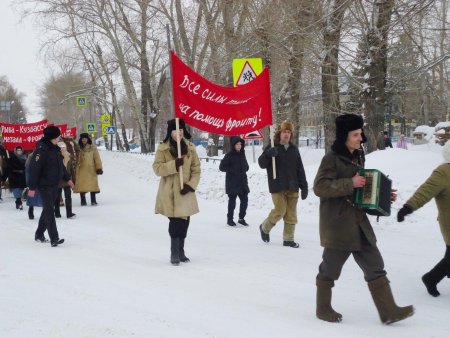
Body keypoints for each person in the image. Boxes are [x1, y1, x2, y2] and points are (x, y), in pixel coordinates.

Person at [313, 113, 414, 324]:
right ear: (345, 136)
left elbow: (361, 189)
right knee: (330, 269)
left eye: (361, 133)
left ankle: (389, 311)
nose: (361, 138)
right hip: (339, 225)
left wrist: (383, 196)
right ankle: (323, 309)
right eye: (356, 134)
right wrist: (349, 183)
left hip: (358, 223)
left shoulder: (357, 156)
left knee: (375, 264)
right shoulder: (331, 159)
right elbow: (320, 187)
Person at [397, 140, 450, 297]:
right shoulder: (443, 172)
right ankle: (431, 278)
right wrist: (408, 207)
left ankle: (431, 278)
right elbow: (425, 191)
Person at [153, 118, 201, 266]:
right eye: (176, 130)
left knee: (185, 223)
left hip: (185, 191)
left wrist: (191, 185)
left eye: (181, 130)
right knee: (176, 223)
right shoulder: (163, 148)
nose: (179, 133)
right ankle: (174, 252)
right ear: (171, 132)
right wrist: (174, 165)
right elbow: (157, 169)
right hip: (170, 192)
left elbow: (196, 169)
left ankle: (181, 251)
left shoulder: (190, 148)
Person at [258, 121, 308, 248]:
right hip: (277, 185)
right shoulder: (272, 146)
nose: (287, 134)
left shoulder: (294, 150)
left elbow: (300, 169)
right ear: (280, 133)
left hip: (293, 186)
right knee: (280, 210)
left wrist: (304, 186)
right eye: (285, 132)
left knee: (291, 213)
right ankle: (265, 228)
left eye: (289, 132)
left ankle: (288, 239)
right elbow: (261, 164)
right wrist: (268, 155)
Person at [27, 126, 74, 247]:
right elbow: (34, 170)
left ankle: (39, 234)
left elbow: (61, 167)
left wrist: (68, 179)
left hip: (54, 184)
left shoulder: (55, 149)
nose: (59, 138)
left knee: (47, 210)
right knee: (49, 210)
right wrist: (32, 188)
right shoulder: (41, 150)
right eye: (57, 136)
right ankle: (54, 237)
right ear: (51, 137)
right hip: (44, 185)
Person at [219, 136, 250, 226]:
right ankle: (230, 219)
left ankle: (241, 218)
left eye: (240, 144)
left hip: (242, 182)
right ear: (233, 145)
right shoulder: (229, 155)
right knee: (232, 202)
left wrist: (246, 167)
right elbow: (221, 167)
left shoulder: (242, 154)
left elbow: (246, 166)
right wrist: (233, 169)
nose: (239, 146)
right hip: (232, 182)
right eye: (237, 144)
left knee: (245, 200)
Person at [73, 133, 103, 206]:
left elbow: (97, 158)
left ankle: (93, 200)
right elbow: (74, 157)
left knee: (92, 185)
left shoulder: (92, 147)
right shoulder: (77, 148)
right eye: (82, 138)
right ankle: (83, 201)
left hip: (91, 169)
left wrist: (98, 168)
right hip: (80, 169)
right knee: (82, 185)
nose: (84, 140)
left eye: (85, 138)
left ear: (88, 139)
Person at [54, 141, 76, 219]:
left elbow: (72, 169)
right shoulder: (55, 156)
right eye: (61, 147)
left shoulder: (69, 156)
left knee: (68, 197)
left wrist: (74, 180)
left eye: (64, 147)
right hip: (58, 180)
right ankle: (57, 212)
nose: (62, 149)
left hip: (67, 180)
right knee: (57, 197)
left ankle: (69, 213)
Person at [1, 146, 27, 210]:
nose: (19, 151)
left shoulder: (25, 158)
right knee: (16, 191)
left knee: (20, 191)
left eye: (20, 150)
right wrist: (3, 179)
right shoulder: (11, 159)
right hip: (14, 177)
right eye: (18, 150)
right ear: (15, 151)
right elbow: (7, 170)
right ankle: (19, 202)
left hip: (22, 178)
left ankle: (18, 201)